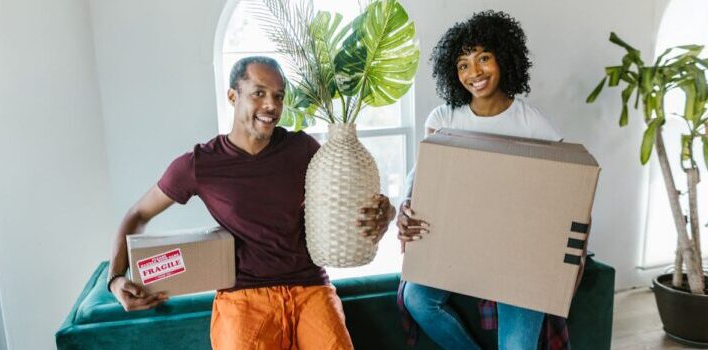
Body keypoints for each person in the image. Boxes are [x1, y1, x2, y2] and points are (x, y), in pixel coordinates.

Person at [106, 56, 396, 349]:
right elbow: (138, 214)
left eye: (278, 96)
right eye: (259, 93)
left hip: (311, 287)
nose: (271, 105)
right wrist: (116, 279)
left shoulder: (304, 149)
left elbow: (344, 209)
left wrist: (383, 214)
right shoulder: (199, 165)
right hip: (243, 296)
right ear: (233, 96)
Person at [396, 11, 573, 350]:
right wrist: (405, 203)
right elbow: (422, 175)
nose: (474, 73)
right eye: (463, 64)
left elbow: (567, 190)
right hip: (459, 245)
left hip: (519, 257)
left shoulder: (534, 125)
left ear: (504, 58)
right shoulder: (444, 117)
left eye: (484, 59)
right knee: (417, 298)